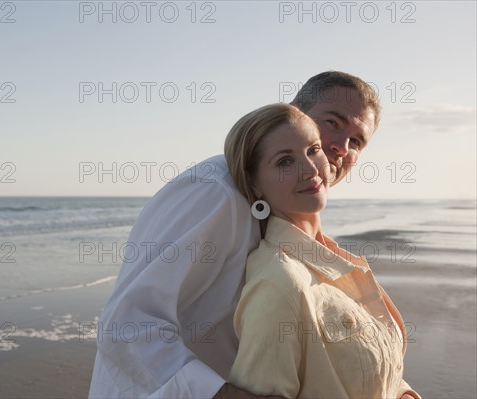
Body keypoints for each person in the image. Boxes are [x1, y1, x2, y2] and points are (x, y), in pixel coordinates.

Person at [89, 71, 381, 399]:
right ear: (294, 112)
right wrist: (222, 394)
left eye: (356, 141)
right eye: (334, 122)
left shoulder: (294, 215)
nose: (342, 147)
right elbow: (128, 325)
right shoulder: (215, 190)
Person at [225, 103, 420, 399]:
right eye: (285, 162)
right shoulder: (279, 284)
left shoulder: (337, 260)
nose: (310, 169)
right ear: (254, 183)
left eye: (313, 150)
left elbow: (374, 373)